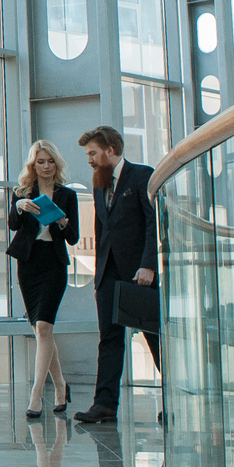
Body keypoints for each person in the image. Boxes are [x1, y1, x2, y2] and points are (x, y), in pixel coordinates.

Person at [72, 125, 160, 426]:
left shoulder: (142, 175)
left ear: (110, 151)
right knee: (109, 339)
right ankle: (105, 404)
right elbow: (101, 231)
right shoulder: (98, 184)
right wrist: (99, 276)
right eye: (88, 155)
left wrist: (149, 265)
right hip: (108, 274)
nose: (90, 160)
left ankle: (175, 400)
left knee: (154, 338)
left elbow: (153, 223)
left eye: (93, 153)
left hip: (139, 274)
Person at [7, 139, 80, 419]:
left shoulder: (67, 195)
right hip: (29, 264)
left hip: (53, 263)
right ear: (33, 165)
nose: (47, 166)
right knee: (41, 331)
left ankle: (37, 393)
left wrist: (63, 222)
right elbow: (13, 225)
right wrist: (20, 206)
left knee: (45, 328)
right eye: (41, 162)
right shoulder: (22, 193)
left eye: (50, 161)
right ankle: (61, 386)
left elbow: (73, 237)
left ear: (56, 163)